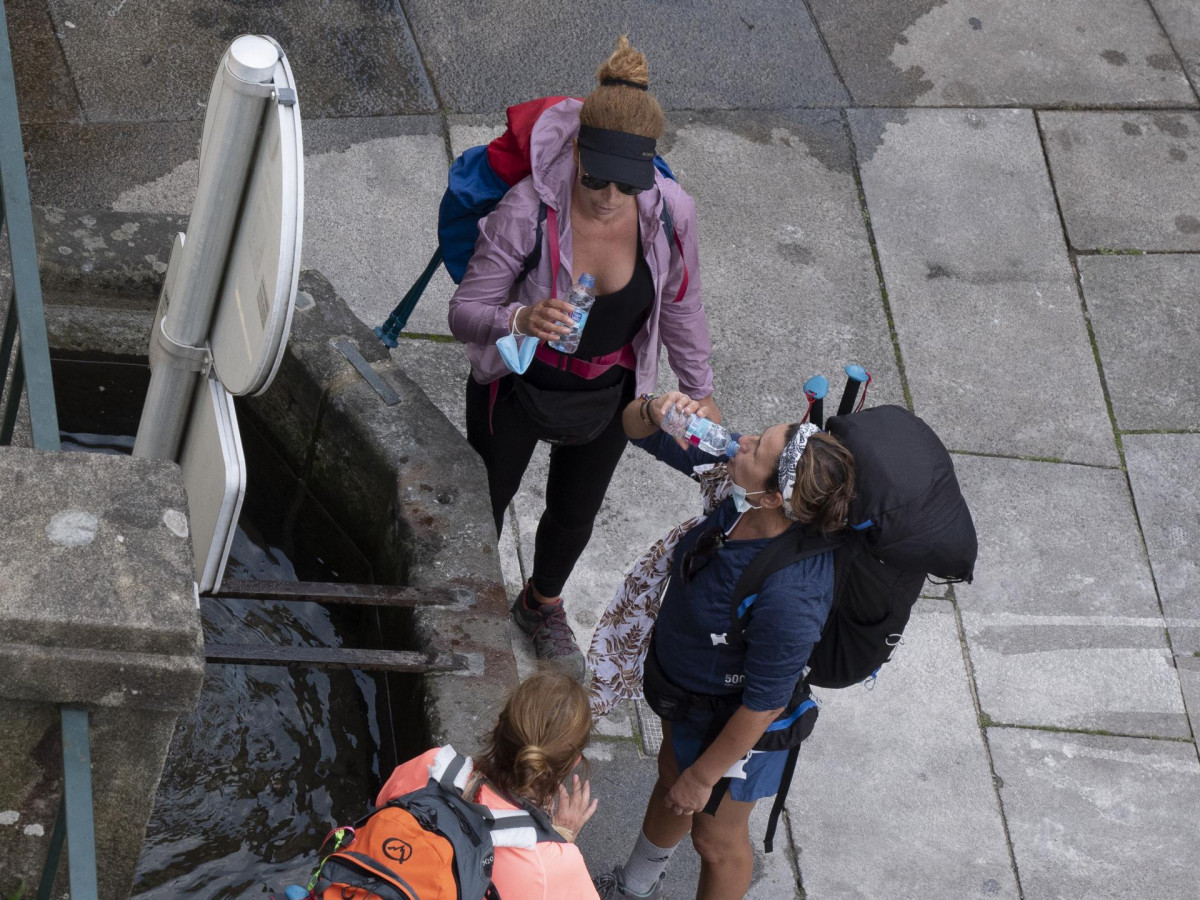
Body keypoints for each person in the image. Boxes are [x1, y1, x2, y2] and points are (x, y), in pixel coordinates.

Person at [447, 35, 719, 680]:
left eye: (626, 184)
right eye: (594, 177)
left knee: (574, 514)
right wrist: (519, 317)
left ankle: (539, 605)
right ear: (575, 149)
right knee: (484, 499)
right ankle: (462, 601)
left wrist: (699, 387)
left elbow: (682, 303)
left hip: (608, 392)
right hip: (515, 383)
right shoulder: (525, 210)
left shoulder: (669, 213)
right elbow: (463, 313)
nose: (604, 196)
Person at [591, 392, 855, 900]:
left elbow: (765, 702)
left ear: (777, 498)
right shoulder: (738, 484)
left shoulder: (791, 594)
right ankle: (635, 886)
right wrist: (654, 408)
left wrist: (706, 775)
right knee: (672, 778)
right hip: (688, 696)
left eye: (757, 447)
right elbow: (635, 430)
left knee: (715, 838)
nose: (744, 440)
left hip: (737, 729)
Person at [375, 671, 600, 899]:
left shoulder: (433, 765)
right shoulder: (551, 866)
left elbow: (381, 811)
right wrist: (562, 838)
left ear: (496, 726)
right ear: (573, 763)